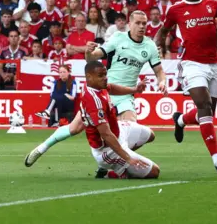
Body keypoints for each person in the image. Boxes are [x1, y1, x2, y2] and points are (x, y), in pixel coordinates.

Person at [24, 11, 167, 170]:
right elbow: (93, 58)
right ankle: (41, 148)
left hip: (126, 95)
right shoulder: (118, 38)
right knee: (75, 128)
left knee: (132, 135)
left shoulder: (150, 45)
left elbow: (159, 70)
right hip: (103, 91)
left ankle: (109, 164)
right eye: (138, 23)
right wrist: (87, 52)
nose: (142, 27)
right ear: (130, 23)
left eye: (144, 23)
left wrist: (162, 82)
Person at [156, 0, 217, 174]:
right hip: (191, 63)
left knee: (207, 112)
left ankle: (180, 120)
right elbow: (163, 31)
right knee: (204, 105)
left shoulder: (213, 5)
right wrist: (157, 50)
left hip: (212, 64)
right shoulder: (176, 9)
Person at [78, 60, 160, 179]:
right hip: (106, 149)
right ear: (89, 77)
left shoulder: (97, 86)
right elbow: (106, 135)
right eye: (101, 76)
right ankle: (114, 171)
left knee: (150, 135)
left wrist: (134, 90)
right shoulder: (93, 101)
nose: (105, 78)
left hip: (118, 130)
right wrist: (128, 158)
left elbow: (111, 88)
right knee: (154, 172)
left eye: (105, 74)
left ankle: (123, 158)